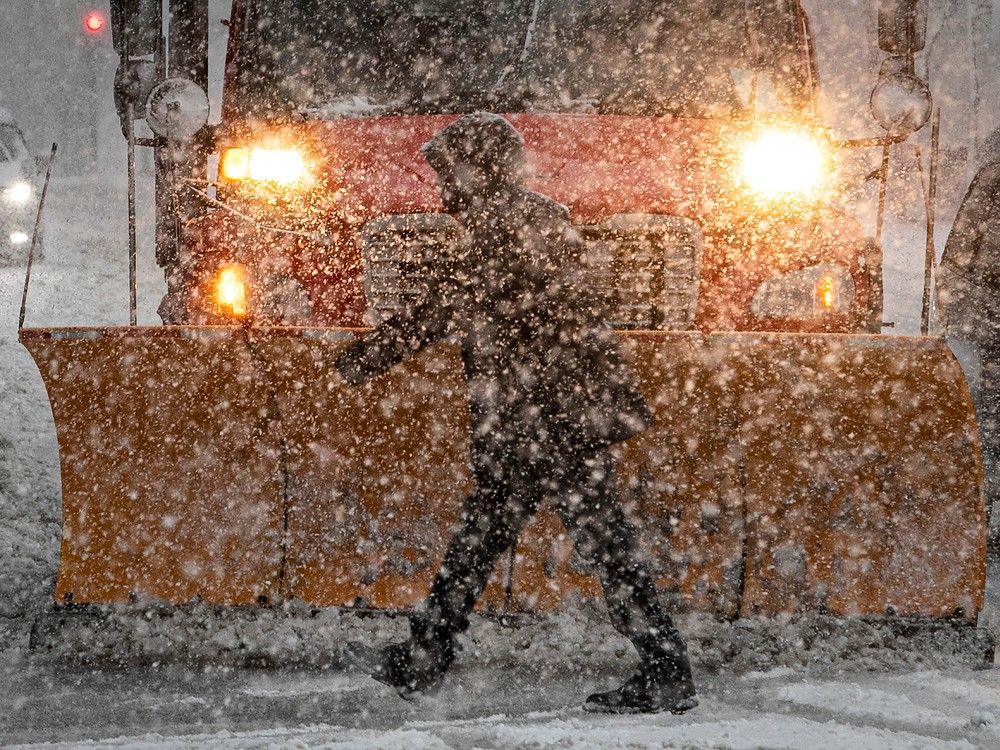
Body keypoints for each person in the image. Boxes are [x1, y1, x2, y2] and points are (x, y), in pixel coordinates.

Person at [333, 112, 697, 714]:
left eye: (450, 173)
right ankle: (426, 655)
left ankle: (665, 671)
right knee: (504, 538)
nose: (444, 189)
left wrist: (358, 361)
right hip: (553, 415)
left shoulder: (507, 226)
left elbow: (447, 307)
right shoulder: (528, 219)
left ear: (479, 171)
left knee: (579, 543)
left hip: (546, 420)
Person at [937, 157, 1000, 549]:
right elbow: (959, 262)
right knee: (987, 418)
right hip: (988, 314)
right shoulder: (994, 180)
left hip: (983, 308)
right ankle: (984, 505)